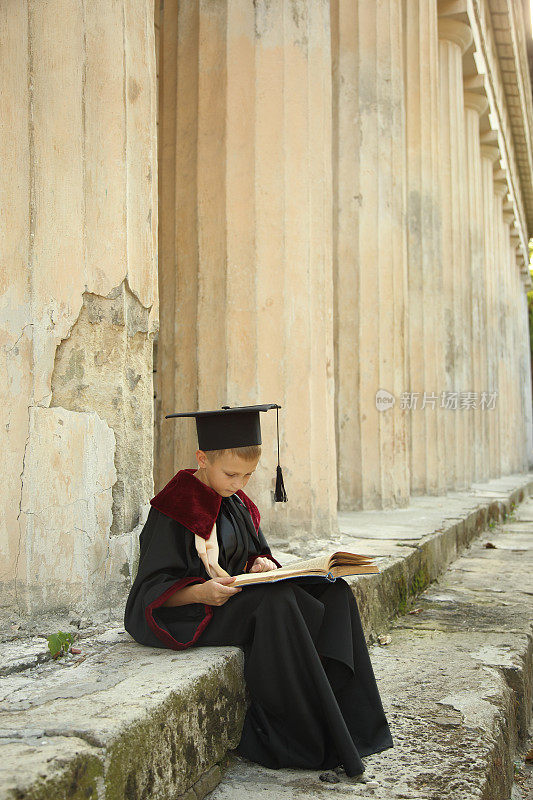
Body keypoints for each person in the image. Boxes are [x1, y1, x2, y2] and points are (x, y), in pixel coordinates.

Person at [123, 403, 393, 777]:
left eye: (248, 475)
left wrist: (258, 564)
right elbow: (150, 592)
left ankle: (352, 724)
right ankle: (297, 738)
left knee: (334, 592)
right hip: (191, 612)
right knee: (277, 603)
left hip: (237, 598)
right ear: (202, 459)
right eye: (232, 474)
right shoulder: (174, 507)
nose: (240, 484)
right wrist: (200, 592)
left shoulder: (235, 502)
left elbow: (250, 554)